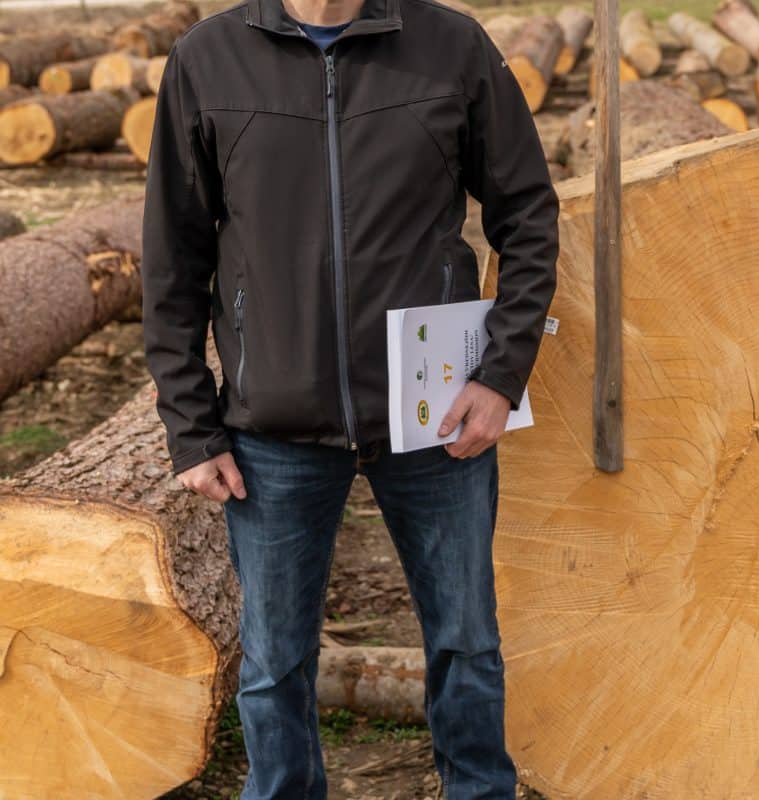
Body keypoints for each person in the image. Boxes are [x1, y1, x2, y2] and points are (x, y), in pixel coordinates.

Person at [139, 0, 559, 794]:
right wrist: (191, 426)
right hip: (274, 428)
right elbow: (172, 257)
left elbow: (528, 214)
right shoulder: (207, 59)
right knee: (273, 662)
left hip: (434, 416)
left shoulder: (451, 47)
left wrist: (502, 375)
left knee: (467, 642)